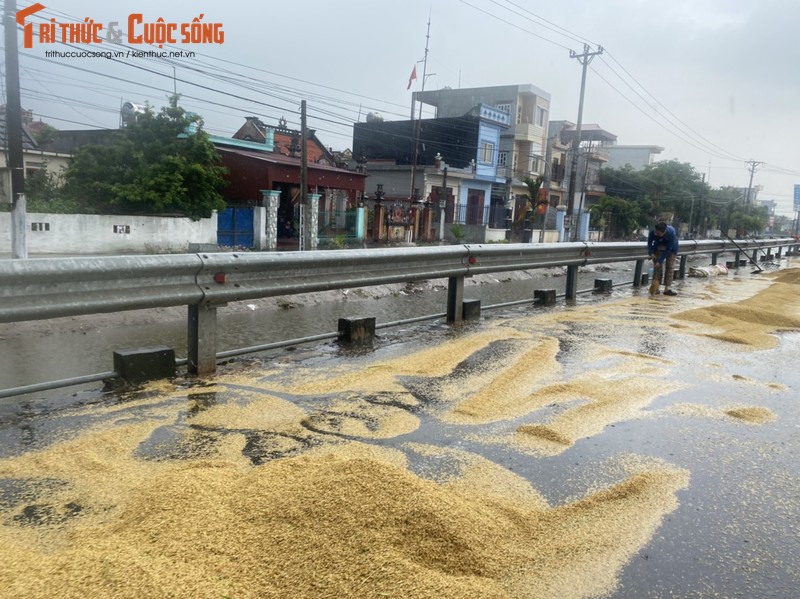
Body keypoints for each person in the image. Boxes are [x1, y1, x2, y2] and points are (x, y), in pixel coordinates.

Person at [647, 221, 679, 296]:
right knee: (657, 268)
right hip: (658, 246)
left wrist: (660, 261)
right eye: (655, 232)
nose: (656, 234)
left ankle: (667, 289)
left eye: (658, 233)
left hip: (671, 249)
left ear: (663, 232)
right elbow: (649, 242)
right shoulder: (653, 232)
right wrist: (651, 253)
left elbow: (668, 249)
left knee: (669, 267)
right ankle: (656, 288)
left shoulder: (671, 233)